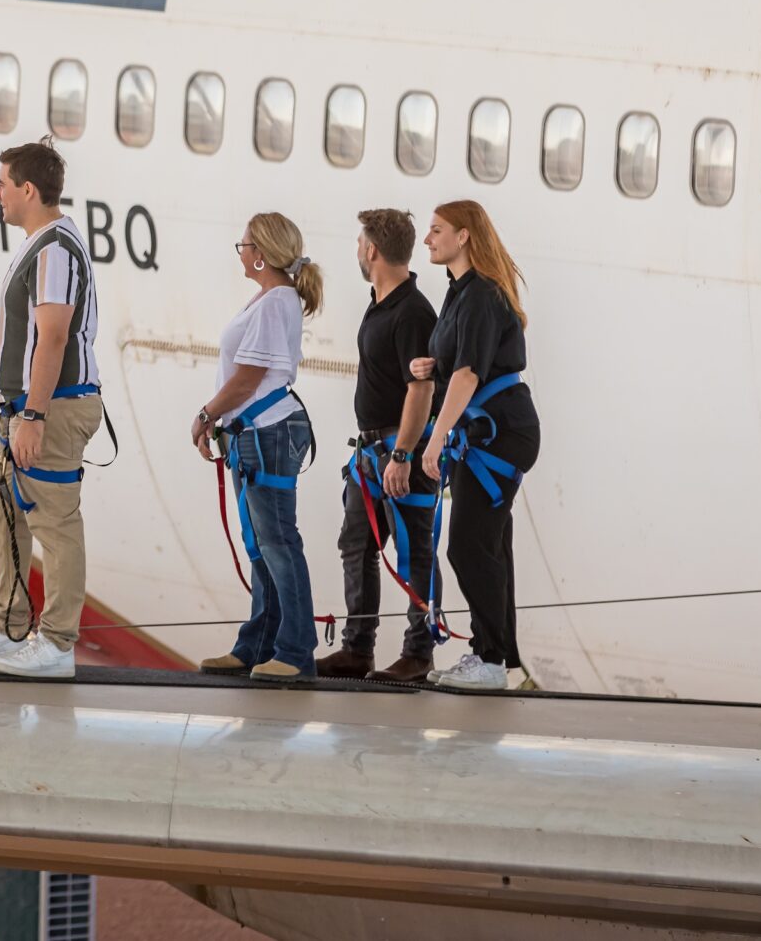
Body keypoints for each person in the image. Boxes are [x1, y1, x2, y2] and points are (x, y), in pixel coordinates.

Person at [0, 140, 103, 681]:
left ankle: (57, 643)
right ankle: (9, 624)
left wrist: (34, 416)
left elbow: (54, 336)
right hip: (23, 410)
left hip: (52, 409)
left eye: (2, 184)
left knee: (55, 522)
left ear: (28, 190)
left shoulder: (55, 249)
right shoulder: (44, 243)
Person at [387, 199, 543, 692]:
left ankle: (490, 659)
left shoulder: (480, 295)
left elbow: (470, 373)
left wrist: (431, 445)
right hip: (489, 433)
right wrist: (426, 367)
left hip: (499, 434)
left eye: (436, 231)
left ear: (464, 237)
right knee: (489, 544)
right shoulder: (461, 293)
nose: (428, 240)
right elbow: (457, 361)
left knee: (468, 547)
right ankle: (498, 655)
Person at [191, 212, 325, 681]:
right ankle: (259, 644)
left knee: (278, 542)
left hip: (265, 433)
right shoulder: (270, 297)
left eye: (244, 244)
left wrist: (207, 415)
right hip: (255, 433)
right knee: (262, 544)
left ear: (261, 254)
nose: (241, 251)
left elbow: (248, 377)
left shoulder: (275, 302)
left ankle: (294, 650)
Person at [319, 208, 441, 683]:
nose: (356, 250)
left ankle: (418, 653)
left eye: (359, 243)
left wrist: (402, 455)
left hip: (396, 454)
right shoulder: (381, 302)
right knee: (357, 544)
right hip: (370, 454)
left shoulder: (412, 312)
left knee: (414, 553)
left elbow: (422, 390)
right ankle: (357, 649)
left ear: (372, 250)